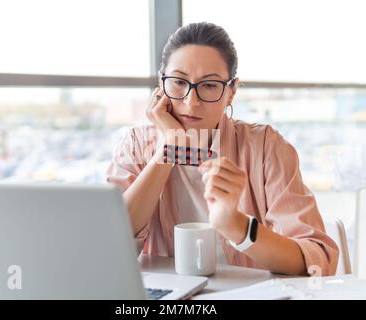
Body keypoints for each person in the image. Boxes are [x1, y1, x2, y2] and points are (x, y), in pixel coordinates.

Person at [106, 22, 338, 276]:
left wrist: (236, 226)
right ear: (161, 86)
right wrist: (168, 149)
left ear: (231, 92)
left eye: (209, 85)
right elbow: (105, 241)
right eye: (179, 82)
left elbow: (318, 259)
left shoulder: (265, 147)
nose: (191, 102)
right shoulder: (136, 145)